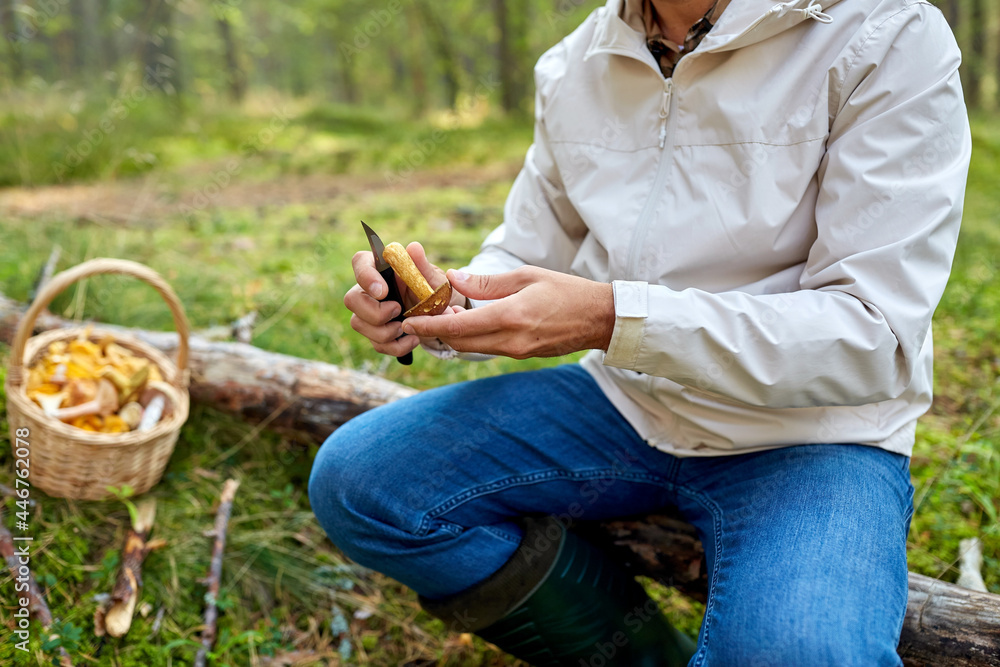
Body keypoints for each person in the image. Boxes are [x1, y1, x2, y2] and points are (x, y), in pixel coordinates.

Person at [309, 0, 972, 663]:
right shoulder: (576, 63)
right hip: (629, 403)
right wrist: (445, 306)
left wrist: (610, 317)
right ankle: (643, 654)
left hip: (814, 433)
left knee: (797, 652)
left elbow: (872, 338)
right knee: (363, 481)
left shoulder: (886, 34)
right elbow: (527, 251)